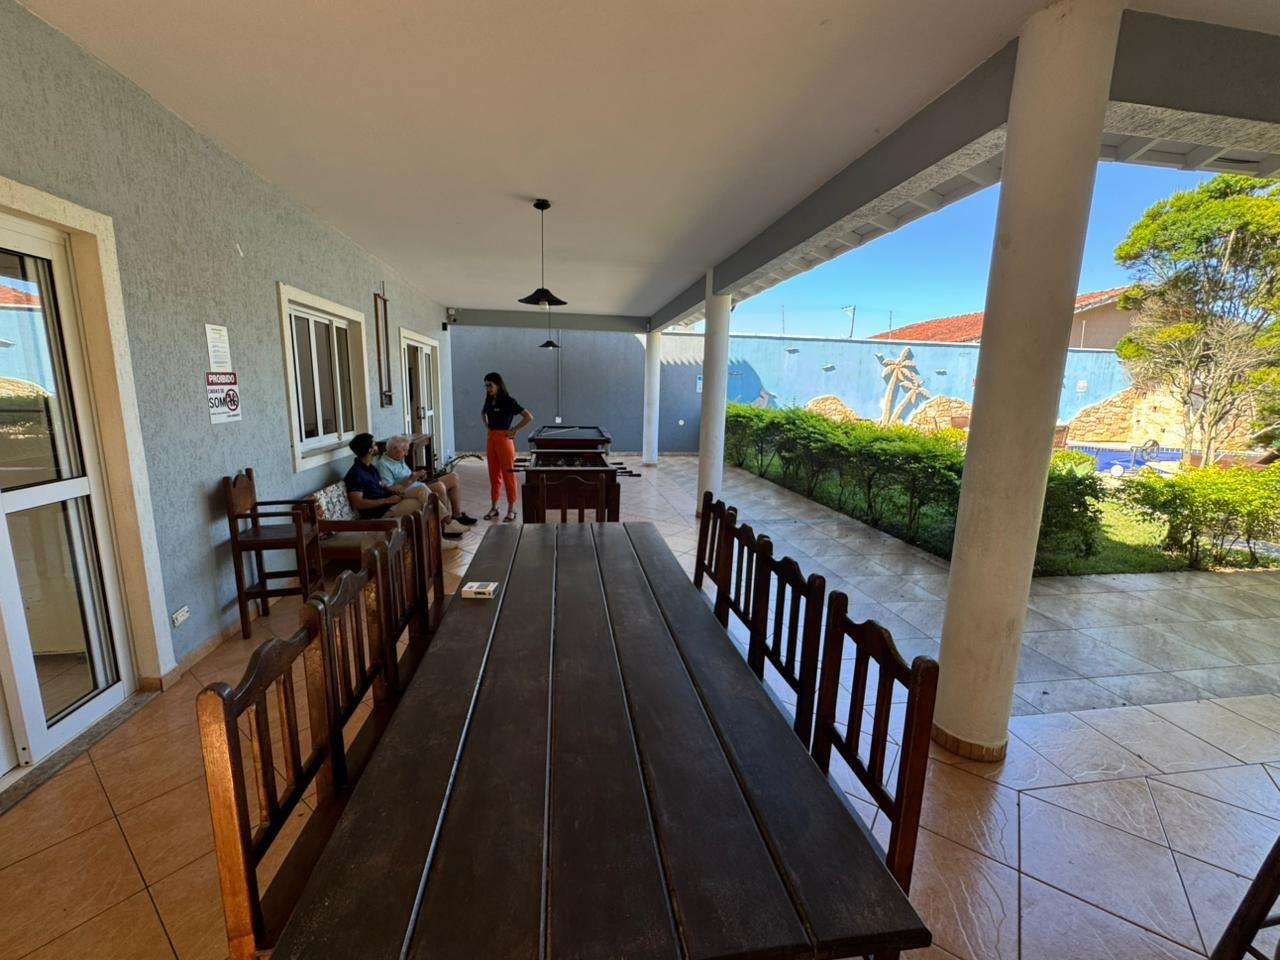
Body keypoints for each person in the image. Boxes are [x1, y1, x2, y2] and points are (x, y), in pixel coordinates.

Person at [344, 433, 459, 548]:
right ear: (370, 450)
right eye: (374, 445)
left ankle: (440, 535)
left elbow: (384, 486)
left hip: (389, 504)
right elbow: (357, 503)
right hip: (380, 512)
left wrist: (395, 491)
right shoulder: (356, 474)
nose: (377, 447)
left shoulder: (370, 468)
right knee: (426, 504)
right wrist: (387, 500)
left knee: (425, 498)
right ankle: (440, 536)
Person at [375, 435, 476, 535]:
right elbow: (390, 489)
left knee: (453, 477)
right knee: (439, 487)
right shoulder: (383, 465)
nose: (406, 454)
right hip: (406, 492)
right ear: (393, 449)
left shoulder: (398, 459)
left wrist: (418, 476)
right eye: (404, 450)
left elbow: (407, 476)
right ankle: (445, 525)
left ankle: (457, 516)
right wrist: (410, 480)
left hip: (416, 485)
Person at [481, 372, 532, 521]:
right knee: (493, 475)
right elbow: (483, 413)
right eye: (486, 386)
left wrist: (514, 429)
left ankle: (511, 509)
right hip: (491, 439)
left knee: (508, 475)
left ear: (498, 385)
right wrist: (487, 426)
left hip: (504, 440)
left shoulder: (509, 401)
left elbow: (528, 416)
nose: (488, 388)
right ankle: (494, 507)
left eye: (490, 385)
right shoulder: (489, 400)